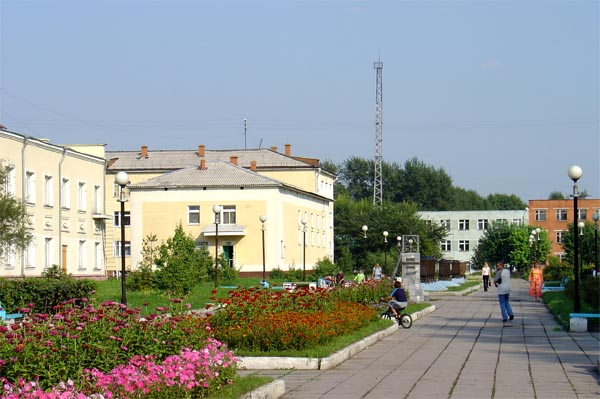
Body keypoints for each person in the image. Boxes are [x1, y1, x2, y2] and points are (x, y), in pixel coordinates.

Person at [494, 261, 514, 326]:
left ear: (501, 265)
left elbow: (495, 280)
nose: (497, 267)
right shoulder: (507, 271)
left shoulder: (499, 272)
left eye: (498, 266)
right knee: (506, 302)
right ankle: (511, 314)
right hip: (507, 288)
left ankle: (504, 317)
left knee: (502, 303)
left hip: (501, 289)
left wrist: (495, 284)